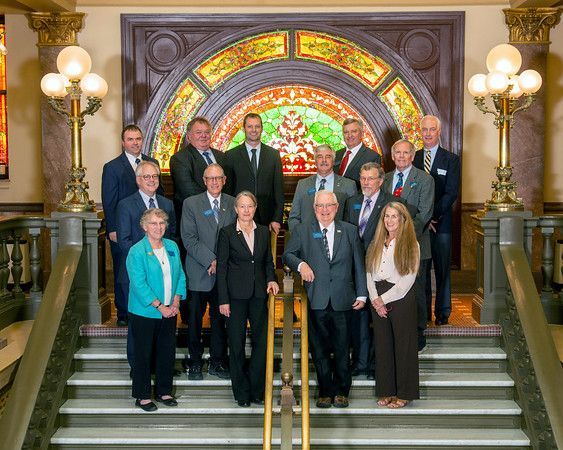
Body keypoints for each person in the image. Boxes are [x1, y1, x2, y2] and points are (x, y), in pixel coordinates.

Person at [283, 190, 367, 409]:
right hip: (316, 299)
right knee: (318, 350)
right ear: (314, 208)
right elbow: (288, 255)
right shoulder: (303, 230)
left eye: (329, 205)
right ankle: (325, 391)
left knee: (341, 347)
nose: (325, 210)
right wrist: (302, 265)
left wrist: (362, 293)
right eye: (320, 206)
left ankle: (341, 391)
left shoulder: (349, 230)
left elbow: (359, 264)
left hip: (343, 299)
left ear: (337, 207)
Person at [217, 191, 279, 407]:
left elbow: (268, 262)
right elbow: (222, 268)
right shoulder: (226, 233)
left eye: (250, 206)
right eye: (242, 207)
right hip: (234, 298)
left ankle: (257, 390)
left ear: (255, 207)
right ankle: (241, 393)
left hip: (259, 295)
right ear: (236, 209)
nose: (246, 210)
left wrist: (271, 279)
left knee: (261, 344)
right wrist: (222, 299)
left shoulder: (263, 232)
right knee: (236, 344)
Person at [101, 124, 163, 326]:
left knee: (149, 268)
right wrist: (112, 229)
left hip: (151, 228)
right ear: (123, 142)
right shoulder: (112, 167)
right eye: (130, 139)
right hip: (124, 228)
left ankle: (148, 307)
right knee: (124, 271)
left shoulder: (152, 162)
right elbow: (108, 201)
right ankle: (123, 313)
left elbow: (158, 195)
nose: (135, 142)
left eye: (138, 139)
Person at [116, 161, 176, 368]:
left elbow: (172, 238)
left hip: (165, 277)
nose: (152, 180)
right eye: (147, 176)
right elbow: (123, 241)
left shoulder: (167, 204)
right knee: (138, 329)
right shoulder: (125, 205)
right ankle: (138, 368)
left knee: (162, 328)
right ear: (138, 180)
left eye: (155, 177)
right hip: (138, 275)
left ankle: (159, 367)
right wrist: (148, 260)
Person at [343, 162, 400, 379]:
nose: (366, 182)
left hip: (381, 269)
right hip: (356, 269)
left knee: (380, 319)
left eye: (370, 178)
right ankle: (360, 363)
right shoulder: (352, 202)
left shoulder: (391, 204)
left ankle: (378, 365)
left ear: (381, 180)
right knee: (359, 319)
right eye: (363, 178)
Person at [126, 208, 186, 412]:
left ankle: (164, 391)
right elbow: (139, 284)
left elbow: (180, 276)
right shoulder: (136, 251)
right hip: (145, 312)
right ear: (144, 226)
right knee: (143, 354)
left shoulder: (172, 246)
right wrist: (160, 307)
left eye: (161, 223)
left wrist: (176, 302)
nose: (158, 227)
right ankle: (142, 396)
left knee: (166, 352)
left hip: (170, 311)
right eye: (153, 223)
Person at [180, 163, 236, 380]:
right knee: (194, 320)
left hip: (224, 275)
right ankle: (195, 362)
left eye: (218, 178)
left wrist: (221, 263)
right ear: (204, 181)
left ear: (224, 180)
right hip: (198, 273)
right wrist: (211, 260)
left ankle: (217, 362)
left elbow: (236, 236)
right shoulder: (191, 203)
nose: (214, 182)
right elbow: (189, 238)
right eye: (210, 178)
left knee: (219, 321)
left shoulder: (233, 203)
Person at [366, 202, 420, 408]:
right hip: (377, 296)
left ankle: (404, 393)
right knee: (383, 346)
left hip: (399, 298)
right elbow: (369, 272)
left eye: (394, 217)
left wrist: (382, 300)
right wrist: (374, 298)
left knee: (403, 346)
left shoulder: (411, 244)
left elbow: (407, 281)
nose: (389, 220)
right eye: (386, 216)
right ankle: (386, 390)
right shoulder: (377, 242)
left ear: (403, 219)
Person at [383, 139, 434, 351]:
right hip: (387, 245)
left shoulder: (424, 179)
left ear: (413, 156)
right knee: (390, 287)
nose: (401, 156)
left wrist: (401, 236)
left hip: (415, 245)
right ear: (392, 156)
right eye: (398, 153)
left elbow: (425, 213)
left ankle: (418, 332)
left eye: (406, 153)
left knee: (416, 290)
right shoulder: (384, 180)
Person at [413, 115, 460, 325]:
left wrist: (432, 216)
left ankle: (442, 313)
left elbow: (451, 193)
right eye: (424, 130)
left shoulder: (451, 159)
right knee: (421, 270)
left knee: (442, 271)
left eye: (432, 130)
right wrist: (422, 219)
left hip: (441, 225)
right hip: (419, 227)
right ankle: (424, 314)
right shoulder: (413, 158)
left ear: (439, 132)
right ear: (420, 132)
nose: (428, 133)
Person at [224, 113, 284, 234]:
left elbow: (278, 189)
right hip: (239, 216)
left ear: (261, 128)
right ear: (244, 129)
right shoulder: (231, 155)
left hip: (266, 218)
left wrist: (277, 218)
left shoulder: (273, 155)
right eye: (250, 126)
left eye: (257, 126)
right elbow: (227, 191)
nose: (253, 130)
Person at [288, 144, 356, 233]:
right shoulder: (303, 184)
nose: (324, 160)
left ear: (333, 160)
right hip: (307, 241)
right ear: (315, 161)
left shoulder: (348, 185)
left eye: (328, 157)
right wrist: (300, 238)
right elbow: (294, 217)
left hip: (339, 241)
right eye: (320, 157)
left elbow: (353, 219)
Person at [170, 117, 227, 217]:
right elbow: (188, 190)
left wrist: (224, 207)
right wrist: (213, 206)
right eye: (198, 132)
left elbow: (228, 185)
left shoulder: (222, 156)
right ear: (189, 136)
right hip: (195, 215)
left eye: (207, 132)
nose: (203, 136)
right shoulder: (180, 159)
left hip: (224, 213)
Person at [334, 118, 381, 190]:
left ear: (362, 133)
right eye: (346, 132)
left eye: (354, 131)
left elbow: (372, 186)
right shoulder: (336, 154)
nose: (349, 135)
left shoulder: (372, 157)